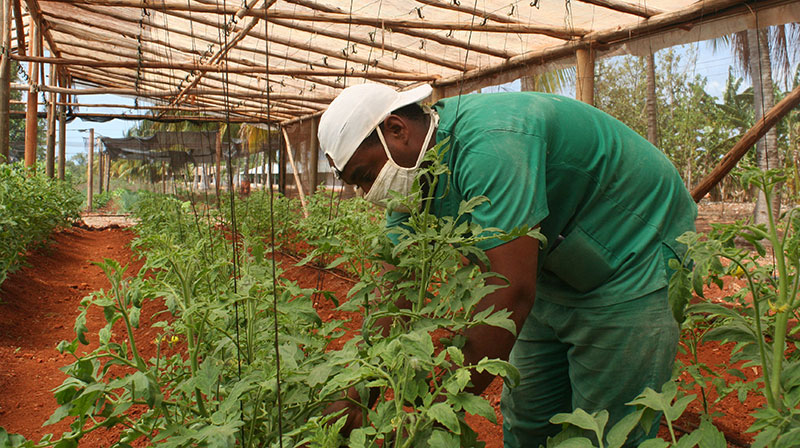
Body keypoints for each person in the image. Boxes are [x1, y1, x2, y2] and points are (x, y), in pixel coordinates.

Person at [317, 83, 697, 447]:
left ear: (396, 129)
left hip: (635, 252)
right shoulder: (412, 178)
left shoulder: (490, 143)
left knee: (611, 428)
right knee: (530, 418)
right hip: (553, 265)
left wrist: (435, 407)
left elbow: (511, 294)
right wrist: (355, 392)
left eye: (366, 177)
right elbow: (394, 291)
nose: (368, 193)